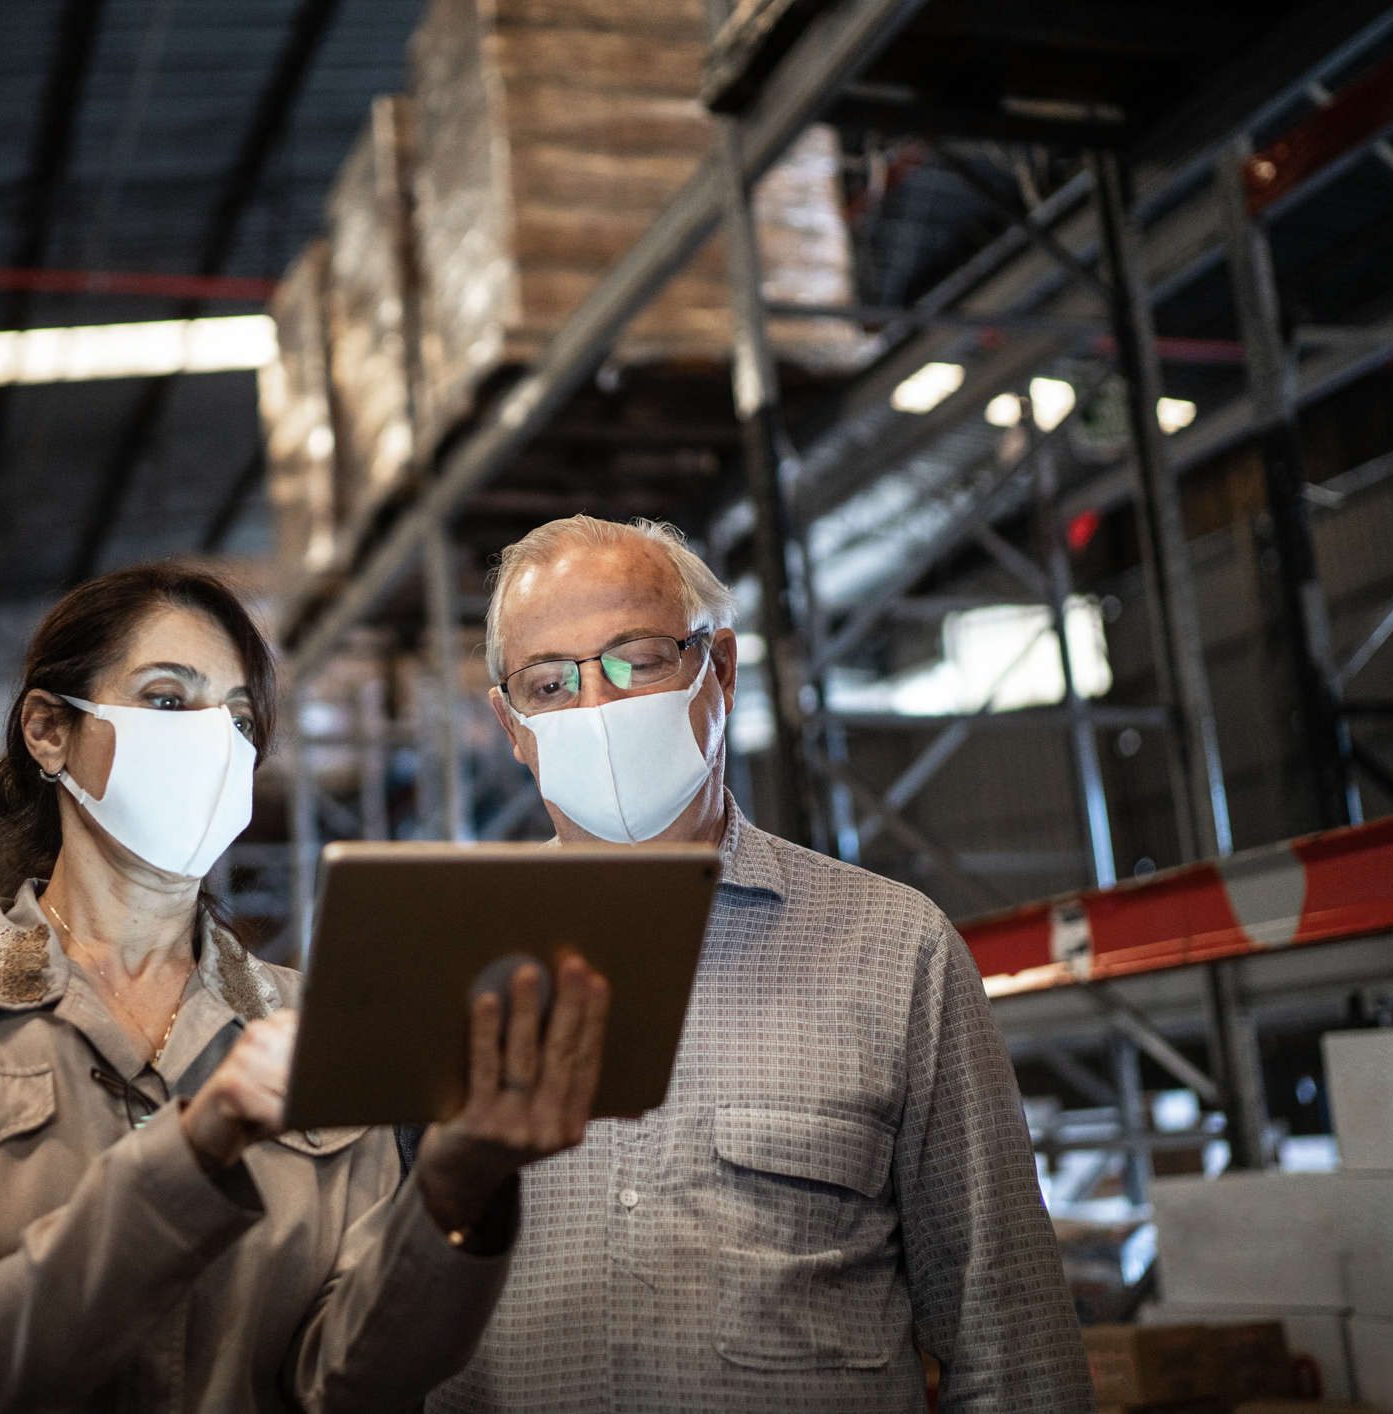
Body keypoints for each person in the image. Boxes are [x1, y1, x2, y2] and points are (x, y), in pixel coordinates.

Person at [0, 563, 609, 1414]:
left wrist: (453, 1194)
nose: (213, 743)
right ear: (48, 731)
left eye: (237, 718)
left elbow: (345, 1380)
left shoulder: (320, 1020)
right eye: (166, 700)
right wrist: (194, 1150)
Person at [429, 517, 1092, 1413]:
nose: (599, 709)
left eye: (638, 660)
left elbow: (1008, 1335)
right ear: (512, 727)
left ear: (721, 671)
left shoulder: (896, 952)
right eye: (551, 683)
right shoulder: (436, 967)